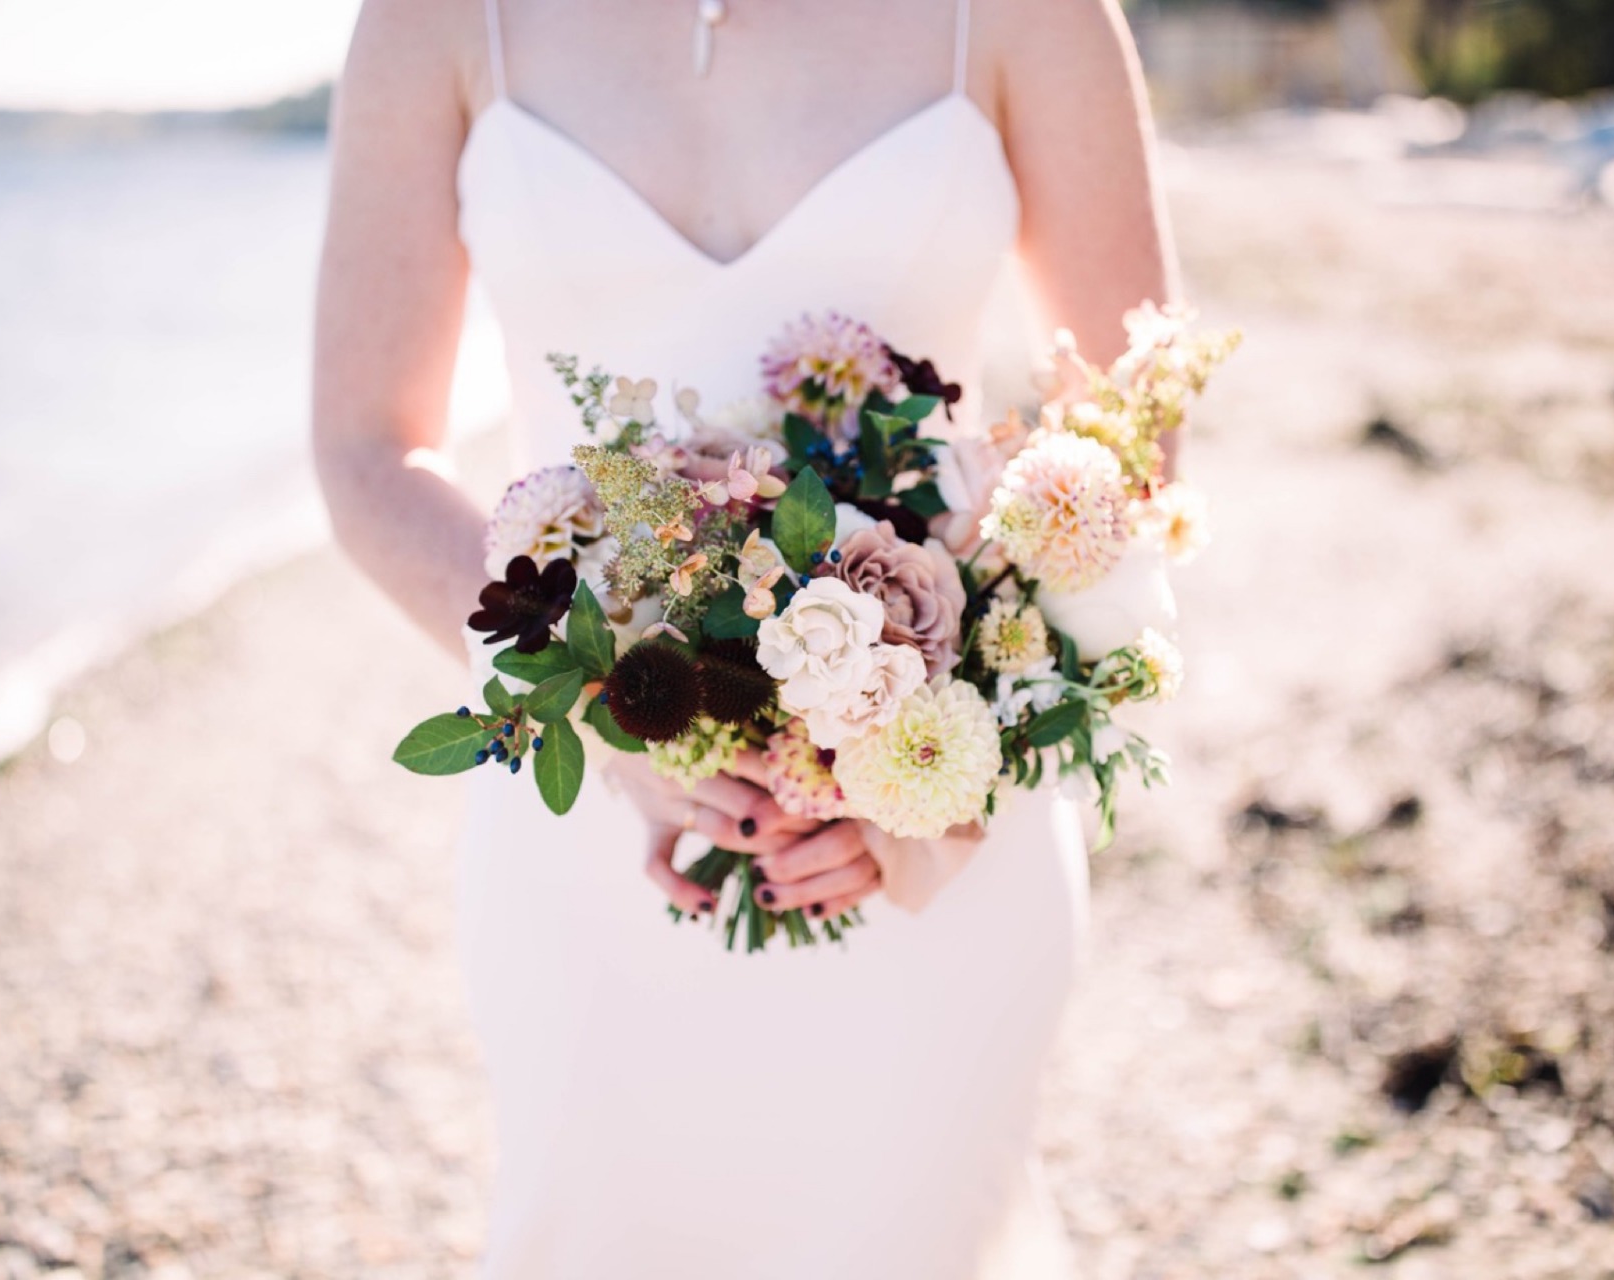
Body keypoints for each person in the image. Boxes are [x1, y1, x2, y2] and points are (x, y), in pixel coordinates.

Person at [312, 0, 1175, 1274]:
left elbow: (1128, 435)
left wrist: (923, 756)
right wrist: (611, 706)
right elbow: (366, 449)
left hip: (935, 822)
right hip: (591, 844)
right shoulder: (437, 21)